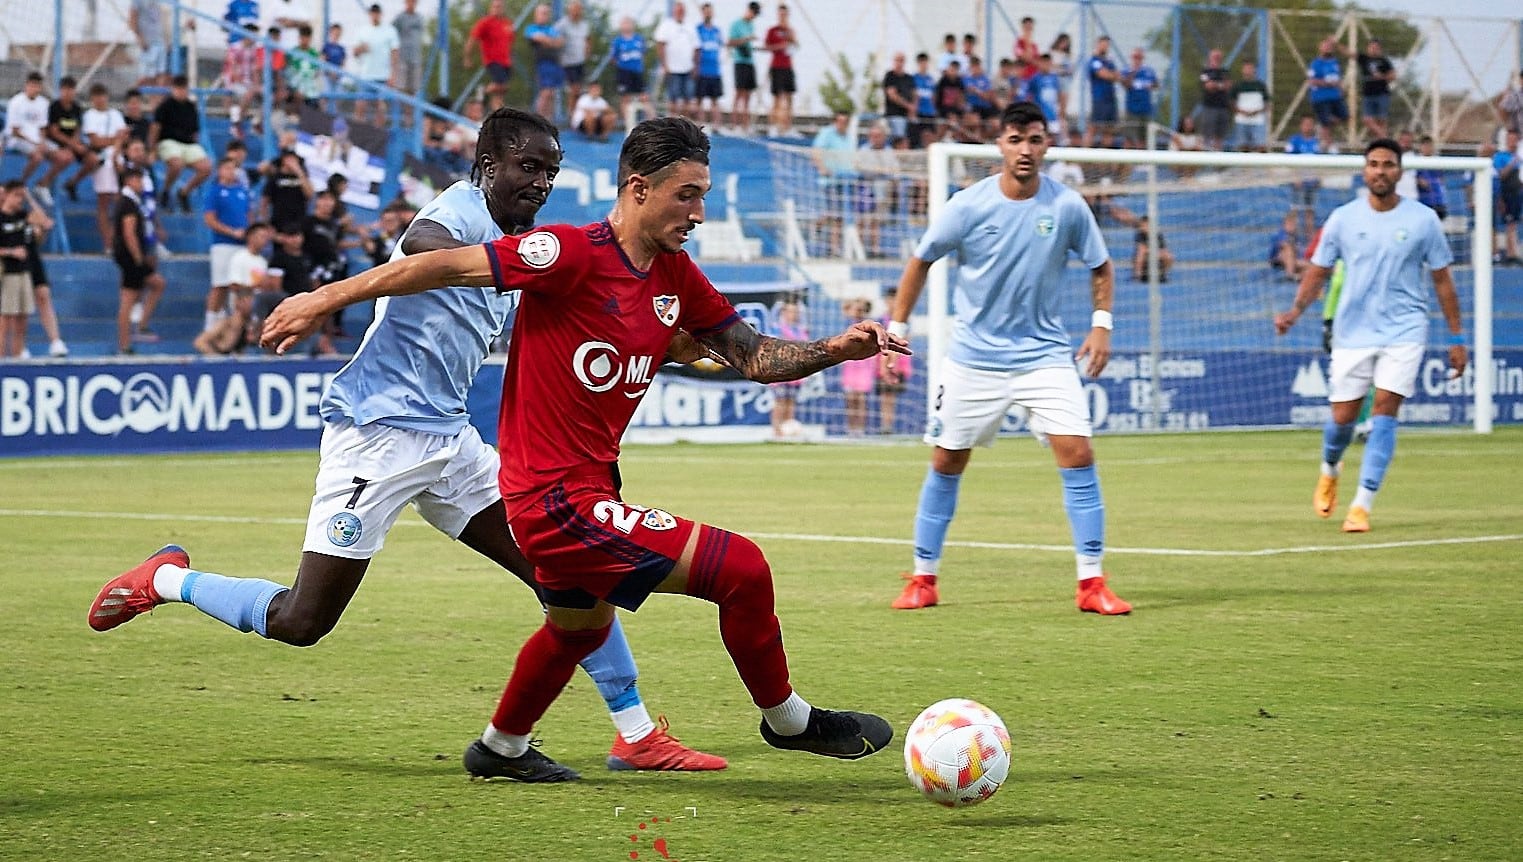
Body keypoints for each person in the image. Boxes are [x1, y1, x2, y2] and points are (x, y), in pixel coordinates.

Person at [257, 116, 904, 779]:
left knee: (578, 628)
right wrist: (320, 298)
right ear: (638, 189)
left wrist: (835, 349)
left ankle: (500, 748)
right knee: (742, 570)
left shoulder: (676, 277)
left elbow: (754, 357)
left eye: (703, 194)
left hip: (591, 491)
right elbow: (440, 262)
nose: (699, 212)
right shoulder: (565, 252)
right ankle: (788, 722)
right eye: (686, 194)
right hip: (551, 501)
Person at [92, 108, 728, 775]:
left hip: (450, 440)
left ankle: (632, 734)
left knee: (564, 572)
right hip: (377, 435)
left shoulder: (525, 243)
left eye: (550, 171)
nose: (539, 182)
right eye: (526, 167)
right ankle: (166, 578)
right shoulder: (455, 214)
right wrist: (345, 292)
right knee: (302, 621)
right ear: (487, 167)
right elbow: (424, 246)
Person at [884, 101, 1131, 616]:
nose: (1025, 150)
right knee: (948, 460)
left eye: (1035, 140)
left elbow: (1102, 266)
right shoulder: (967, 206)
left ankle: (1092, 583)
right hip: (973, 360)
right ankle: (923, 577)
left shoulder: (1066, 207)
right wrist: (898, 328)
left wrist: (1101, 326)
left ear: (1047, 146)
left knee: (1078, 453)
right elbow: (921, 261)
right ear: (1000, 145)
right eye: (1016, 139)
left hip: (1044, 357)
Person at [1274, 138, 1465, 533]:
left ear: (1400, 171)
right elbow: (1318, 271)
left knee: (1384, 416)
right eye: (1374, 164)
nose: (1381, 171)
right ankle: (1330, 468)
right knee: (1341, 421)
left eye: (1389, 165)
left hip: (1405, 329)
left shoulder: (1424, 220)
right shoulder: (1343, 219)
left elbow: (1443, 281)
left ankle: (1362, 505)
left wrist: (1456, 336)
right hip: (1353, 333)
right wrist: (1295, 311)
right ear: (1365, 171)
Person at [195, 221, 275, 355]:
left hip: (257, 309)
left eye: (266, 237)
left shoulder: (262, 261)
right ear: (250, 237)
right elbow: (234, 285)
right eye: (261, 236)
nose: (265, 240)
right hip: (241, 307)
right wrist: (255, 288)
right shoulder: (240, 258)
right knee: (228, 337)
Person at [111, 168, 166, 355]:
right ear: (129, 181)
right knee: (128, 300)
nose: (141, 184)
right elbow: (129, 233)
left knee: (148, 289)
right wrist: (138, 258)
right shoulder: (128, 204)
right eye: (138, 180)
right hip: (131, 258)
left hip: (128, 258)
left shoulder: (130, 202)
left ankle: (136, 330)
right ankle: (126, 341)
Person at [204, 157, 254, 337]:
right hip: (223, 244)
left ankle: (237, 327)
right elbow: (210, 219)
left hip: (241, 245)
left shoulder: (242, 191)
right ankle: (210, 324)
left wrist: (248, 233)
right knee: (220, 284)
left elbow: (249, 215)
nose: (231, 172)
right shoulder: (215, 192)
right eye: (227, 168)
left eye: (234, 169)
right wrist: (232, 232)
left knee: (240, 285)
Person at [150, 75, 213, 213]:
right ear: (173, 89)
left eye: (183, 88)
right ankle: (166, 191)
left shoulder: (191, 107)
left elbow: (195, 131)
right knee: (177, 164)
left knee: (206, 167)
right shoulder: (165, 106)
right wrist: (153, 149)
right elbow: (155, 128)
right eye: (178, 88)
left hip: (188, 144)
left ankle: (184, 192)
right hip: (169, 141)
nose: (181, 91)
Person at [81, 83, 128, 248]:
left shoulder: (115, 114)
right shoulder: (90, 116)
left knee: (120, 200)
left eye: (103, 96)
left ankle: (117, 239)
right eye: (97, 96)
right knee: (105, 200)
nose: (100, 100)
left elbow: (123, 136)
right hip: (103, 160)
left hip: (117, 158)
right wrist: (114, 140)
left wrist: (115, 147)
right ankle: (108, 243)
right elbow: (95, 141)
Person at [41, 77, 98, 204]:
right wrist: (71, 144)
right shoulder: (55, 107)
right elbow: (54, 132)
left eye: (71, 90)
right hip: (56, 142)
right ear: (61, 90)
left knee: (93, 159)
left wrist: (75, 144)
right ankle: (43, 183)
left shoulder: (77, 108)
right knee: (66, 158)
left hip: (71, 143)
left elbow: (77, 129)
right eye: (65, 90)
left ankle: (71, 183)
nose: (68, 93)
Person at [6, 73, 59, 197]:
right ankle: (20, 185)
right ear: (26, 86)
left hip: (36, 140)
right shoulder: (16, 102)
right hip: (17, 139)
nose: (34, 89)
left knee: (63, 157)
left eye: (37, 86)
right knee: (38, 157)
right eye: (32, 85)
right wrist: (35, 144)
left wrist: (42, 142)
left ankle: (42, 185)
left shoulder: (43, 103)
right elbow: (15, 131)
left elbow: (42, 127)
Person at [0, 182, 36, 358]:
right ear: (6, 195)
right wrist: (11, 252)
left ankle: (17, 355)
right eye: (16, 195)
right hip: (7, 274)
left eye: (22, 196)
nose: (19, 200)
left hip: (24, 272)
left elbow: (44, 222)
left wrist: (30, 198)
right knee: (6, 317)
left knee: (23, 317)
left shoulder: (23, 216)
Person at [352, 3, 399, 124]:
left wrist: (393, 75)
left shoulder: (389, 30)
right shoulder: (362, 31)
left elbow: (395, 53)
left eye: (377, 13)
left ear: (380, 14)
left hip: (383, 75)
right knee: (360, 105)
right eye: (373, 13)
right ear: (370, 14)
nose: (375, 15)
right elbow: (354, 52)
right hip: (366, 75)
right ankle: (358, 132)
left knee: (381, 107)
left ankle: (378, 136)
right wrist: (361, 49)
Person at [465, 0, 515, 111]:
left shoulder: (507, 23)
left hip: (506, 61)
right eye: (495, 6)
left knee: (501, 91)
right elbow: (472, 38)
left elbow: (509, 42)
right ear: (490, 8)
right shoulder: (485, 22)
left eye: (500, 6)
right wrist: (467, 57)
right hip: (493, 60)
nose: (497, 9)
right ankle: (483, 91)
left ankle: (497, 112)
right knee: (501, 85)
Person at [769, 298, 806, 439]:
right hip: (780, 372)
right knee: (780, 401)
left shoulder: (800, 330)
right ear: (784, 312)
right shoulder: (777, 328)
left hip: (795, 372)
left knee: (791, 402)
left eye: (796, 312)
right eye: (791, 311)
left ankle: (788, 428)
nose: (794, 314)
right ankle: (776, 430)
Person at [655, 1, 697, 120]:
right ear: (674, 12)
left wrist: (695, 66)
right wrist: (665, 65)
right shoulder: (666, 25)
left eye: (682, 10)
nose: (680, 12)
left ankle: (686, 123)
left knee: (688, 98)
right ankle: (673, 123)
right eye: (678, 10)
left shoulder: (690, 26)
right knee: (672, 97)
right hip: (672, 69)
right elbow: (660, 45)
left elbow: (696, 47)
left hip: (688, 69)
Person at [524, 3, 565, 121]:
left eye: (547, 14)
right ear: (536, 15)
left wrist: (548, 41)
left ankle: (549, 120)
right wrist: (551, 41)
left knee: (552, 93)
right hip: (543, 64)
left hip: (555, 63)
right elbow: (539, 38)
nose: (544, 16)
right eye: (542, 13)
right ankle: (539, 120)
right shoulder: (531, 28)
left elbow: (560, 42)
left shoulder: (551, 29)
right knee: (545, 92)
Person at [763, 4, 798, 136]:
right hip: (777, 66)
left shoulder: (790, 30)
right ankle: (774, 126)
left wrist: (790, 36)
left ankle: (787, 126)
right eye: (781, 14)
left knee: (789, 97)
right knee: (777, 97)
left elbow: (795, 45)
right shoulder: (772, 30)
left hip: (788, 66)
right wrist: (779, 46)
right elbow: (767, 46)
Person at [727, 2, 761, 133]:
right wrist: (746, 39)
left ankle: (745, 126)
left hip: (749, 62)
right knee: (739, 94)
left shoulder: (751, 25)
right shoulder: (736, 24)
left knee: (748, 95)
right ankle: (734, 125)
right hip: (740, 61)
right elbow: (730, 42)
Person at [611, 16, 651, 124]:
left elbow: (643, 54)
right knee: (625, 98)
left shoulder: (639, 39)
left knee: (644, 97)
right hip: (624, 73)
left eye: (629, 23)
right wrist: (622, 67)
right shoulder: (618, 41)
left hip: (637, 72)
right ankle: (628, 124)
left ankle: (653, 122)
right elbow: (614, 58)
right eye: (624, 23)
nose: (627, 25)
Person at [1307, 37, 1348, 133]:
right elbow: (1312, 81)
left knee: (1344, 116)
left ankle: (1320, 128)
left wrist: (1341, 89)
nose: (1328, 48)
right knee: (1326, 122)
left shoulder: (1335, 62)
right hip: (1321, 97)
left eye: (1329, 46)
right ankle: (1325, 142)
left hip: (1335, 96)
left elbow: (1338, 78)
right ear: (1320, 48)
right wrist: (1327, 83)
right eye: (1325, 46)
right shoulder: (1315, 63)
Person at [1084, 36, 1119, 147]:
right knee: (1093, 127)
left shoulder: (1109, 62)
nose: (1105, 47)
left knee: (1109, 130)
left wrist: (1112, 75)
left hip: (1110, 99)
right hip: (1100, 99)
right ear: (1098, 44)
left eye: (1107, 44)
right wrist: (1111, 75)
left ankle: (1105, 161)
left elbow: (1116, 76)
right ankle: (1083, 157)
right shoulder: (1094, 61)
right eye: (1103, 44)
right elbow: (1104, 74)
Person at [1356, 39, 1395, 139]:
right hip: (1368, 94)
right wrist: (1336, 44)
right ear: (1368, 48)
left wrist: (1381, 76)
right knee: (1367, 119)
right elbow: (1349, 53)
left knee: (1382, 119)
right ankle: (1384, 137)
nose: (1373, 49)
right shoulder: (1364, 59)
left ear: (1379, 49)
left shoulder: (1384, 61)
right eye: (1372, 47)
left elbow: (1392, 76)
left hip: (1382, 94)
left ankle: (1381, 142)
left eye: (1376, 47)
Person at [695, 3, 725, 130]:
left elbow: (723, 46)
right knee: (699, 100)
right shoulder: (697, 30)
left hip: (715, 71)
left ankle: (716, 126)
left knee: (715, 100)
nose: (708, 14)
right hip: (701, 70)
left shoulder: (716, 31)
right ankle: (699, 126)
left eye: (710, 11)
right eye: (706, 11)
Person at [557, 1, 592, 110]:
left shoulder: (584, 25)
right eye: (574, 9)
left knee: (580, 90)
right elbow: (555, 38)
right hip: (567, 62)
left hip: (580, 61)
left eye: (578, 9)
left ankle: (576, 114)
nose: (576, 12)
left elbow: (588, 39)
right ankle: (571, 114)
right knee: (574, 89)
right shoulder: (562, 24)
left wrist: (587, 51)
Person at [1197, 48, 1232, 151]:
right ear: (1210, 57)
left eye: (1219, 56)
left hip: (1223, 107)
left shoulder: (1225, 72)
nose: (1217, 58)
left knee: (1220, 136)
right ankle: (1206, 160)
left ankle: (1217, 159)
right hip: (1209, 107)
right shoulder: (1205, 72)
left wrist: (1216, 85)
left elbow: (1228, 85)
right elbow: (1208, 86)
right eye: (1215, 56)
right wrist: (1220, 85)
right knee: (1207, 135)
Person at [1230, 60, 1269, 152]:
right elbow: (1232, 102)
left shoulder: (1260, 86)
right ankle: (1243, 166)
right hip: (1242, 120)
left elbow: (1267, 103)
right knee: (1243, 147)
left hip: (1257, 121)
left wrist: (1256, 112)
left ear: (1254, 70)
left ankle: (1258, 166)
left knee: (1260, 146)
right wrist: (1242, 112)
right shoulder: (1238, 86)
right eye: (1246, 68)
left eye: (1250, 68)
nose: (1248, 71)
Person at [1121, 47, 1158, 145]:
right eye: (1135, 57)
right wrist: (1133, 72)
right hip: (1132, 109)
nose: (1137, 60)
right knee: (1129, 137)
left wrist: (1151, 85)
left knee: (1143, 138)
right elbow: (1125, 84)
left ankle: (1142, 159)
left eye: (1139, 57)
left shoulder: (1149, 71)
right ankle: (1126, 159)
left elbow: (1156, 84)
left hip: (1145, 109)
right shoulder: (1127, 70)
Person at [129, 0, 168, 87]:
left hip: (159, 41)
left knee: (160, 76)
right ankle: (131, 95)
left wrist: (165, 41)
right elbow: (132, 20)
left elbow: (161, 20)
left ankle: (155, 100)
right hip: (147, 43)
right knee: (146, 77)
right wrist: (140, 38)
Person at [393, 0, 425, 97]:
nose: (411, 3)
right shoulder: (399, 18)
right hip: (402, 57)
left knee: (414, 88)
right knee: (401, 87)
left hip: (416, 58)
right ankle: (401, 111)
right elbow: (392, 35)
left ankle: (411, 112)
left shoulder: (419, 18)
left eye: (413, 2)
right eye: (409, 1)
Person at [881, 53, 915, 144]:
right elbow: (892, 95)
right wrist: (908, 106)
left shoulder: (909, 78)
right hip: (895, 115)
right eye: (897, 60)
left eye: (901, 60)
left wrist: (913, 108)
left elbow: (914, 94)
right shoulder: (890, 76)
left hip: (907, 117)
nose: (899, 63)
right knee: (899, 139)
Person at [1414, 136, 1447, 220]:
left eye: (1430, 146)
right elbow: (1413, 178)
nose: (1428, 148)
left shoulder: (1438, 161)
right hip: (1423, 201)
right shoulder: (1415, 161)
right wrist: (1419, 181)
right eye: (1425, 146)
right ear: (1421, 147)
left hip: (1438, 200)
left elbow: (1442, 178)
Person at [1131, 214, 1171, 281]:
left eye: (1144, 225)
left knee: (1168, 256)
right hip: (1146, 258)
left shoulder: (1158, 235)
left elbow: (1163, 250)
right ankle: (1138, 276)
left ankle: (1162, 273)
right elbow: (1141, 249)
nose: (1142, 228)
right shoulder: (1140, 235)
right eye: (1141, 226)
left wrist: (1153, 251)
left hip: (1156, 255)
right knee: (1141, 253)